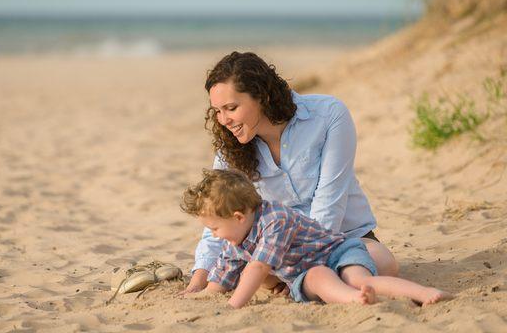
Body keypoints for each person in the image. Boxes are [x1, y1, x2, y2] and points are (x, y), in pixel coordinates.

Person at [183, 51, 398, 295]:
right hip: (275, 253)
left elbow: (330, 203)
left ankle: (306, 283)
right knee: (251, 269)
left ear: (261, 96)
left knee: (384, 263)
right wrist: (200, 276)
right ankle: (308, 283)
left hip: (342, 239)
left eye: (231, 108)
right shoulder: (230, 149)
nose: (224, 120)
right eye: (217, 111)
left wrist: (299, 267)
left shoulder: (328, 115)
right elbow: (217, 212)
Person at [180, 169, 452, 308]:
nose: (215, 235)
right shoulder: (235, 240)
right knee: (318, 277)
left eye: (214, 228)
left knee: (359, 277)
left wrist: (233, 305)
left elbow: (258, 267)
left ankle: (424, 293)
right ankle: (355, 300)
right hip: (307, 272)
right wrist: (202, 293)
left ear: (239, 217)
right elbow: (222, 276)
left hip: (338, 252)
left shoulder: (275, 220)